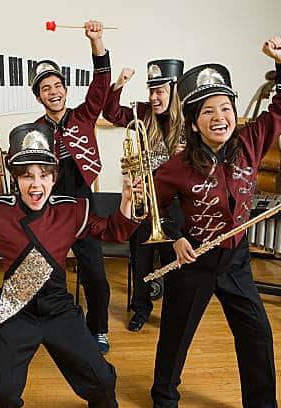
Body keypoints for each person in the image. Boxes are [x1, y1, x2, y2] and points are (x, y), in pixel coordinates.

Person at [0, 123, 141, 407]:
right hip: (16, 310)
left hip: (59, 308)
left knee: (102, 379)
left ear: (54, 178)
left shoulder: (70, 209)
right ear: (15, 178)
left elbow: (114, 231)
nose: (36, 185)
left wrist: (127, 201)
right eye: (27, 176)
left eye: (44, 175)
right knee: (2, 392)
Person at [151, 37, 281, 407]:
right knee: (176, 335)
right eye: (207, 111)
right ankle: (163, 396)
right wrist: (174, 237)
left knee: (256, 333)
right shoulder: (177, 166)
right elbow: (156, 205)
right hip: (194, 262)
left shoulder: (252, 140)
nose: (219, 117)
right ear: (193, 122)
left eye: (225, 108)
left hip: (235, 260)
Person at [32, 20, 113, 353]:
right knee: (45, 269)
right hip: (50, 203)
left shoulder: (84, 114)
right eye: (45, 88)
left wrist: (96, 42)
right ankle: (50, 327)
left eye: (57, 85)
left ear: (65, 88)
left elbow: (102, 84)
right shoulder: (34, 129)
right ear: (38, 96)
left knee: (95, 271)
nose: (53, 92)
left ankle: (99, 328)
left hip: (82, 199)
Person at [102, 60, 185, 332]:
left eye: (160, 91)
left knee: (174, 265)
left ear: (174, 89)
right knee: (141, 263)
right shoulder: (143, 113)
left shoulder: (189, 120)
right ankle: (141, 309)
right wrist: (119, 84)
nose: (153, 97)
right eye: (151, 91)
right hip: (145, 204)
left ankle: (174, 315)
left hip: (173, 207)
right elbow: (112, 113)